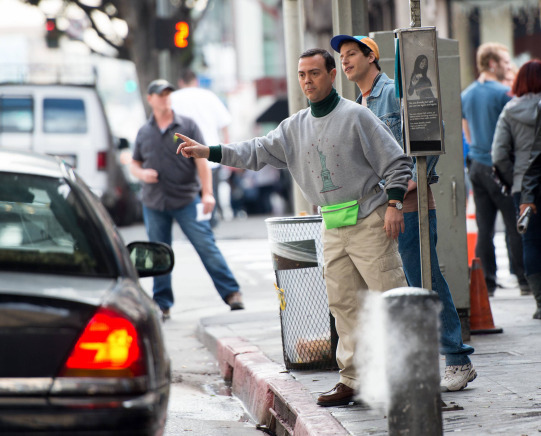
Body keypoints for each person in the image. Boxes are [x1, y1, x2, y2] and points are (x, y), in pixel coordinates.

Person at [176, 48, 412, 407]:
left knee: (390, 300)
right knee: (343, 305)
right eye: (302, 75)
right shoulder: (293, 126)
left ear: (332, 76)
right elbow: (255, 151)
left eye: (315, 73)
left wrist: (395, 204)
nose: (307, 81)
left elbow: (396, 162)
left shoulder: (357, 116)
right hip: (332, 225)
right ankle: (353, 380)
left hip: (370, 221)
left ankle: (409, 381)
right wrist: (209, 151)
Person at [331, 34, 476, 392]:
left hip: (407, 201)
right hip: (378, 205)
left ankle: (457, 358)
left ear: (372, 57)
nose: (345, 61)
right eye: (342, 57)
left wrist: (411, 182)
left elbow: (433, 131)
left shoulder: (394, 92)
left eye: (352, 54)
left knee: (422, 278)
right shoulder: (358, 103)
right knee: (394, 284)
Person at [131, 79, 244, 321]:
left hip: (186, 198)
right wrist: (142, 174)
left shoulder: (187, 125)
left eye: (168, 93)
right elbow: (134, 162)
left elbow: (201, 160)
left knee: (205, 244)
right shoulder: (144, 132)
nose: (165, 98)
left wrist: (208, 193)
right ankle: (162, 304)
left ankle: (232, 293)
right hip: (154, 202)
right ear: (150, 99)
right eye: (160, 95)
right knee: (159, 254)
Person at [461, 43, 528, 297]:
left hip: (476, 167)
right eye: (505, 62)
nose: (509, 67)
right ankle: (523, 279)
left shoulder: (466, 95)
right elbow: (512, 135)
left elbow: (466, 131)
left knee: (484, 227)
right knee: (514, 225)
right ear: (492, 64)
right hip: (499, 168)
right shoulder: (504, 93)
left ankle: (487, 282)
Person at [492, 60, 541, 318]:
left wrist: (514, 182)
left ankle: (540, 303)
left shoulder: (511, 110)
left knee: (531, 242)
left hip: (523, 187)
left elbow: (498, 154)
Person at [171, 69, 233, 227]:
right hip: (210, 155)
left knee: (189, 198)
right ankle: (209, 227)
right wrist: (226, 153)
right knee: (210, 196)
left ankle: (194, 227)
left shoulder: (173, 98)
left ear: (180, 82)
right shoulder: (209, 96)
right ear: (196, 81)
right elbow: (225, 126)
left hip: (183, 158)